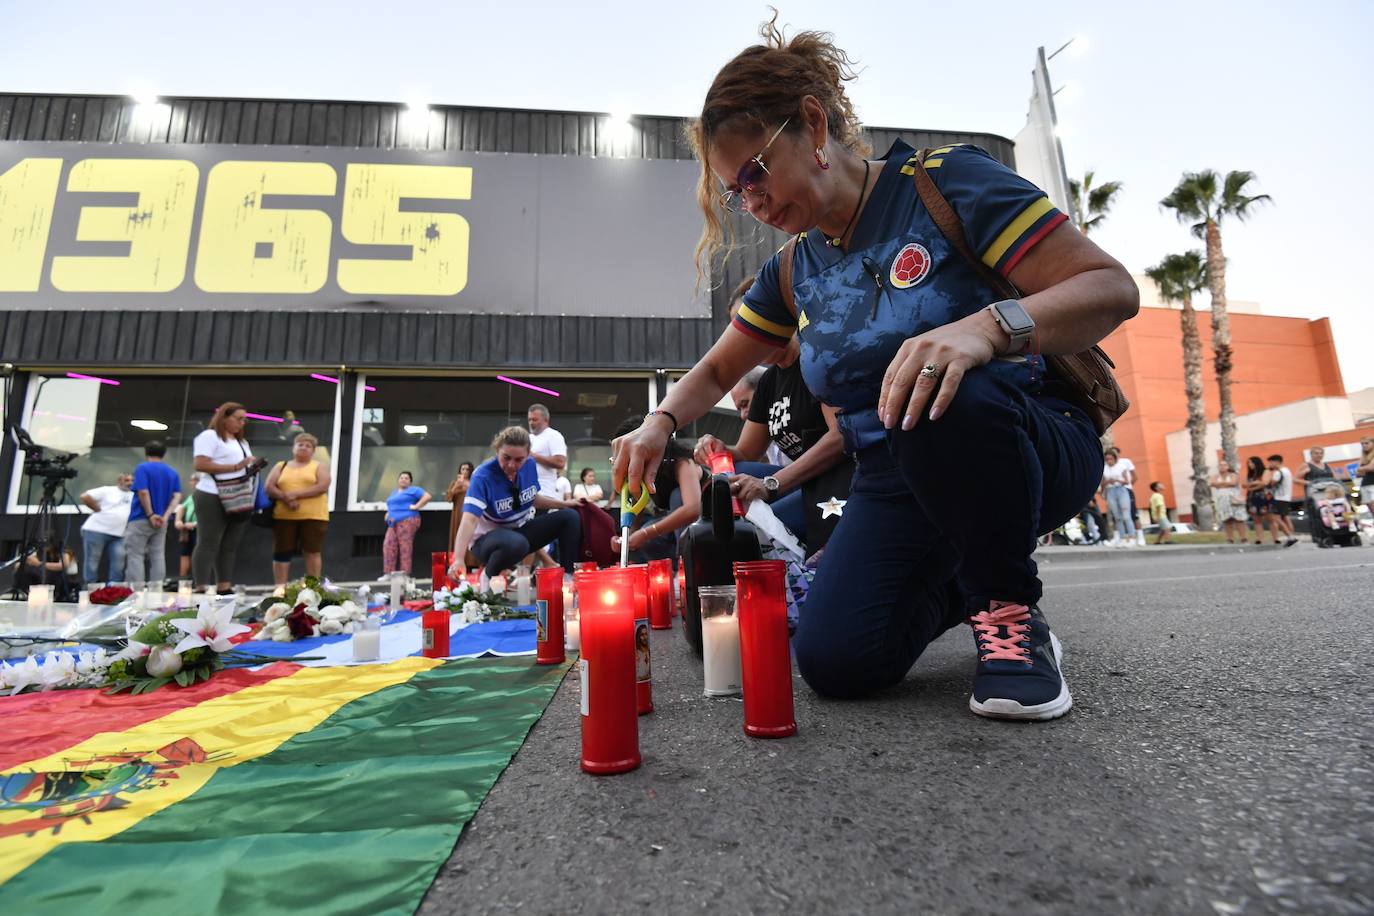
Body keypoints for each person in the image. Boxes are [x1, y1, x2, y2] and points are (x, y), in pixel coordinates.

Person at [612, 19, 1137, 721]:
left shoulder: (943, 185)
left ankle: (1011, 615)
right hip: (895, 483)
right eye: (737, 192)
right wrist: (658, 421)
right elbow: (713, 372)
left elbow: (1110, 288)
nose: (755, 203)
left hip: (1024, 438)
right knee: (837, 661)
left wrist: (986, 328)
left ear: (812, 122)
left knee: (942, 388)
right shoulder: (793, 268)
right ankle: (968, 579)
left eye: (757, 173)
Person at [692, 278, 846, 544]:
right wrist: (716, 448)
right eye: (739, 330)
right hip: (803, 482)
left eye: (753, 324)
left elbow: (840, 436)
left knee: (757, 535)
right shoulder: (768, 381)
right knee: (736, 475)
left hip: (841, 478)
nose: (746, 338)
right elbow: (745, 453)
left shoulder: (816, 358)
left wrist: (772, 484)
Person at [448, 426, 584, 579]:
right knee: (518, 543)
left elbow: (532, 498)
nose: (512, 465)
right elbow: (469, 519)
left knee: (570, 517)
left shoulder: (530, 465)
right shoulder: (483, 476)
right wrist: (459, 559)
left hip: (519, 532)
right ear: (497, 450)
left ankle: (568, 577)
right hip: (486, 541)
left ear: (528, 455)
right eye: (506, 458)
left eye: (519, 460)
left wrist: (565, 504)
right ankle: (488, 577)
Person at [610, 416, 708, 559]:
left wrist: (646, 533)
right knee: (646, 536)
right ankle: (665, 570)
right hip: (671, 527)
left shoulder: (681, 462)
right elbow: (637, 508)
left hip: (704, 522)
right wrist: (626, 538)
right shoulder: (640, 470)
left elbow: (692, 509)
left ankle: (685, 564)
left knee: (676, 496)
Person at [193, 402, 264, 593]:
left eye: (245, 419)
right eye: (239, 418)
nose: (243, 423)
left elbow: (241, 466)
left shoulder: (241, 442)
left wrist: (250, 466)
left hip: (239, 495)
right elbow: (200, 464)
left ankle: (224, 586)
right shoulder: (210, 436)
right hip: (212, 493)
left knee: (229, 544)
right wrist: (235, 467)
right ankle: (200, 586)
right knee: (209, 541)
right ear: (224, 417)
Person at [264, 432, 332, 586]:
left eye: (308, 446)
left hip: (314, 516)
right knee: (281, 551)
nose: (304, 447)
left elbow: (322, 486)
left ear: (313, 451)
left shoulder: (319, 466)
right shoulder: (281, 466)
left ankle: (313, 587)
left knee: (312, 551)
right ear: (293, 448)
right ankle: (280, 588)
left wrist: (295, 495)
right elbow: (269, 486)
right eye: (300, 444)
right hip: (284, 516)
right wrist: (286, 498)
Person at [124, 440, 183, 587]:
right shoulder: (172, 471)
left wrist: (151, 514)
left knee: (135, 555)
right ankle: (156, 590)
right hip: (162, 521)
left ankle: (136, 592)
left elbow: (143, 491)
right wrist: (165, 515)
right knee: (157, 555)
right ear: (163, 454)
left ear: (146, 452)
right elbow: (177, 496)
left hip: (141, 518)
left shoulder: (142, 468)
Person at [79, 472, 132, 584]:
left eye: (132, 481)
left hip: (120, 534)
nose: (130, 483)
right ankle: (91, 588)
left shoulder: (134, 495)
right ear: (119, 481)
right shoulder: (108, 490)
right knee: (92, 561)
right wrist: (96, 508)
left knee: (118, 563)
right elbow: (84, 496)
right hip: (96, 530)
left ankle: (113, 590)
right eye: (126, 480)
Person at [382, 471, 431, 577]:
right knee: (388, 545)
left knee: (405, 546)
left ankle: (404, 573)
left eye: (406, 478)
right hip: (392, 522)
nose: (403, 479)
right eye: (401, 478)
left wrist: (416, 506)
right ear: (398, 480)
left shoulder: (414, 490)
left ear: (410, 482)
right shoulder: (394, 492)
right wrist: (388, 513)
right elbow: (392, 505)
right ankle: (388, 573)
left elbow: (427, 496)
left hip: (407, 520)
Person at [527, 405, 568, 501]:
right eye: (529, 420)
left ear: (545, 420)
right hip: (527, 491)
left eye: (535, 420)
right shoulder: (528, 438)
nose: (531, 423)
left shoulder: (553, 436)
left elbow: (560, 462)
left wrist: (533, 456)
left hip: (544, 491)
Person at [1209, 460, 1250, 544]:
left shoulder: (1233, 475)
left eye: (1224, 465)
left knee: (1239, 519)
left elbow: (1233, 483)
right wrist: (1225, 483)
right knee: (1226, 520)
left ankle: (1243, 538)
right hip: (1222, 501)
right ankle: (1230, 539)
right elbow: (1212, 483)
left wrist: (1220, 484)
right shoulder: (1215, 476)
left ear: (1228, 467)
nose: (1222, 467)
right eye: (1220, 465)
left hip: (1234, 500)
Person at [1101, 451, 1136, 547]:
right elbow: (1102, 483)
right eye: (1107, 459)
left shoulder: (1121, 467)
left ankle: (1132, 538)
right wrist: (1105, 487)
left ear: (1115, 458)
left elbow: (1127, 481)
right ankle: (1122, 538)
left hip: (1121, 490)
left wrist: (1116, 480)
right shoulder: (1104, 468)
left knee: (1126, 515)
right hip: (1110, 491)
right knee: (1117, 517)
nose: (1109, 461)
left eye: (1110, 459)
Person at [1244, 456, 1280, 545]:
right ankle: (1260, 538)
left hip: (1264, 497)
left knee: (1270, 518)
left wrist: (1252, 486)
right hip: (1253, 498)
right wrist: (1255, 484)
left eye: (1252, 463)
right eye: (1248, 463)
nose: (1250, 465)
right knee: (1256, 520)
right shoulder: (1250, 474)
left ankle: (1276, 538)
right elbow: (1244, 485)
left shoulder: (1266, 471)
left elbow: (1264, 483)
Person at [173, 472, 203, 580]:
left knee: (199, 554)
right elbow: (182, 508)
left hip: (201, 531)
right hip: (187, 531)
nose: (194, 483)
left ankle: (199, 580)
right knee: (185, 553)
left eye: (196, 480)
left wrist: (195, 524)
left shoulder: (207, 496)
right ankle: (183, 580)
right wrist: (178, 521)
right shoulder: (191, 496)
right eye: (193, 480)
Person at [1265, 454, 1299, 547]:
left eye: (1271, 462)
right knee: (1286, 518)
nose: (1270, 465)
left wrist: (1267, 474)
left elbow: (1271, 484)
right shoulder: (1287, 471)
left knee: (1277, 519)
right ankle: (1292, 535)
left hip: (1279, 498)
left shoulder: (1278, 472)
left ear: (1276, 462)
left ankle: (1290, 537)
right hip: (1287, 497)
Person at [446, 461, 476, 556]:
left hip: (470, 512)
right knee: (458, 533)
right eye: (463, 469)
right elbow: (449, 499)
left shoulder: (474, 482)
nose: (465, 471)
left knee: (470, 535)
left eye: (467, 469)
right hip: (457, 513)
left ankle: (472, 562)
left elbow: (476, 493)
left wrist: (465, 483)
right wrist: (456, 486)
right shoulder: (454, 483)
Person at [1357, 436, 1374, 513]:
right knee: (1370, 508)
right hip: (1365, 484)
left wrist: (1362, 468)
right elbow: (1358, 471)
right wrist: (1363, 469)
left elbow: (1371, 467)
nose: (1364, 445)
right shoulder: (1363, 457)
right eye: (1362, 444)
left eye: (1366, 443)